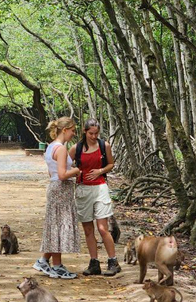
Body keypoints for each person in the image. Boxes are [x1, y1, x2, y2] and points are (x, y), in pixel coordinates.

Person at [69, 118, 120, 276]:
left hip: (100, 188)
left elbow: (111, 164)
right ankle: (94, 263)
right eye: (91, 133)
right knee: (88, 229)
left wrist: (100, 171)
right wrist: (76, 171)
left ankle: (113, 261)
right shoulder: (76, 148)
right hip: (83, 190)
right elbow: (64, 165)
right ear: (85, 132)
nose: (94, 136)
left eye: (96, 133)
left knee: (102, 228)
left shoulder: (104, 146)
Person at [33, 117, 81, 280]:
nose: (73, 134)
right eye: (73, 130)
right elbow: (61, 175)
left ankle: (44, 260)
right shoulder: (60, 149)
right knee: (59, 226)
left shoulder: (50, 147)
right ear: (65, 130)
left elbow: (51, 172)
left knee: (55, 224)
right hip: (61, 189)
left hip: (55, 188)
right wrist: (76, 170)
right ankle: (57, 265)